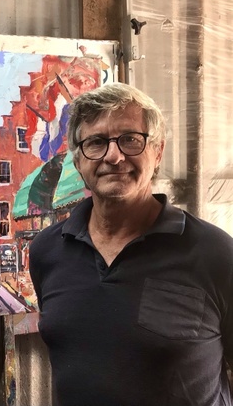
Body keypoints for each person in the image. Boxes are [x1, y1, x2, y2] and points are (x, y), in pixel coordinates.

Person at [29, 82, 233, 405]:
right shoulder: (47, 252)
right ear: (79, 161)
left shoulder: (216, 254)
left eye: (130, 140)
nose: (114, 155)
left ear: (157, 151)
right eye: (96, 142)